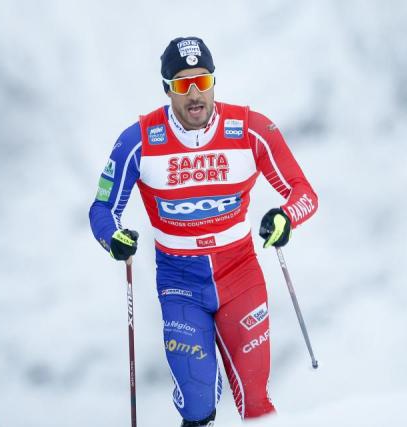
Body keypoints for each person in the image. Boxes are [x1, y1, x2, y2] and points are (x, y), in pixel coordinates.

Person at [88, 36, 318, 426]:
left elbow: (304, 192)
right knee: (197, 407)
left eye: (203, 81)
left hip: (240, 273)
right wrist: (113, 237)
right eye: (182, 85)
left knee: (257, 405)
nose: (195, 93)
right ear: (167, 90)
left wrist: (285, 218)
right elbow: (102, 207)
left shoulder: (250, 129)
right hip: (180, 279)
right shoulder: (139, 140)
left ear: (214, 81)